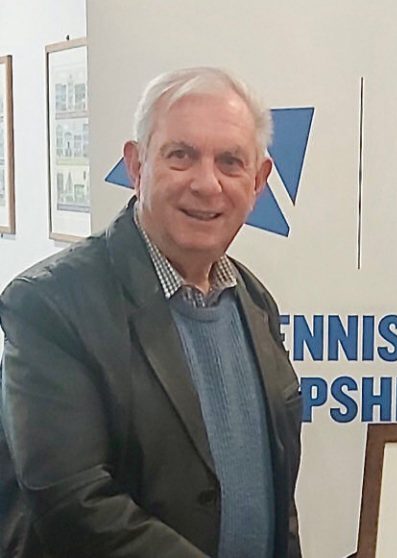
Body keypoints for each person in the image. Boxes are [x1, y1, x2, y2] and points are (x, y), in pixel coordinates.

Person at [0, 67, 302, 557]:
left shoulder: (254, 301)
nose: (207, 184)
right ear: (137, 166)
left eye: (230, 162)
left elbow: (275, 497)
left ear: (259, 182)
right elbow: (71, 502)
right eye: (181, 156)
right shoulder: (49, 305)